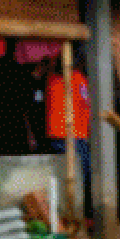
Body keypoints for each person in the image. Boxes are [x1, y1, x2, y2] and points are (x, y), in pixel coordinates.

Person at [41, 58, 93, 219]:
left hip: (69, 135)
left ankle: (79, 215)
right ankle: (81, 215)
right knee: (82, 175)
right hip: (71, 135)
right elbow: (87, 105)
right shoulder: (75, 78)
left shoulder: (51, 78)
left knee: (77, 175)